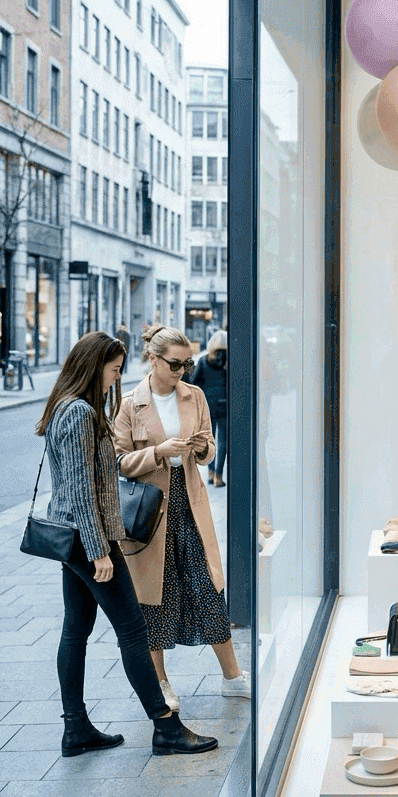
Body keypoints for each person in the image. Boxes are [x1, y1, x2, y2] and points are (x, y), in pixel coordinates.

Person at [35, 331, 219, 758]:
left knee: (76, 631)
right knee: (134, 630)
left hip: (73, 536)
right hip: (88, 538)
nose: (116, 377)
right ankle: (166, 727)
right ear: (94, 366)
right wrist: (100, 550)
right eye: (114, 369)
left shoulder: (66, 407)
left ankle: (76, 728)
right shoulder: (79, 413)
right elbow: (82, 489)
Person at [113, 324, 249, 711]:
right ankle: (161, 684)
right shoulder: (129, 404)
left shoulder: (195, 396)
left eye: (187, 364)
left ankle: (233, 678)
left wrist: (202, 448)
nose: (181, 372)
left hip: (188, 506)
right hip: (149, 513)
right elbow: (119, 462)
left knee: (207, 589)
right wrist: (159, 452)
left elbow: (207, 448)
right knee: (154, 599)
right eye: (174, 364)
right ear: (153, 360)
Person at [188, 329, 228, 487]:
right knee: (223, 441)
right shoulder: (228, 361)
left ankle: (210, 473)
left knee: (210, 438)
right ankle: (219, 475)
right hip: (224, 404)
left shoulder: (204, 361)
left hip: (208, 404)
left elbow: (193, 381)